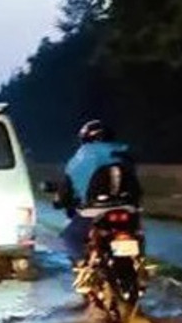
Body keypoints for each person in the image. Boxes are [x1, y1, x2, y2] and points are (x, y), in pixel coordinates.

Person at [60, 120, 141, 294]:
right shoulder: (124, 151)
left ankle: (84, 270)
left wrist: (62, 200)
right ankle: (139, 262)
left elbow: (67, 191)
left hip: (94, 209)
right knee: (136, 232)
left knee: (69, 237)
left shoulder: (79, 158)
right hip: (128, 208)